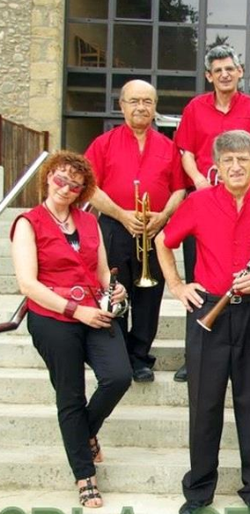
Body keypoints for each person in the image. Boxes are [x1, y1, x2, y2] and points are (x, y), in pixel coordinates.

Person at [155, 130, 250, 514]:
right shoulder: (198, 202)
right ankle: (199, 491)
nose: (236, 166)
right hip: (208, 310)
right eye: (228, 160)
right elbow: (162, 242)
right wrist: (177, 285)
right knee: (204, 404)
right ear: (217, 167)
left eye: (242, 159)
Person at [11, 151, 132, 508]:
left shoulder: (90, 221)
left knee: (119, 376)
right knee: (70, 396)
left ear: (84, 190)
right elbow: (28, 284)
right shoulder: (27, 223)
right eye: (60, 179)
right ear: (48, 177)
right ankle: (84, 476)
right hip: (53, 317)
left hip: (94, 310)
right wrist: (75, 310)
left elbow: (102, 272)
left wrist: (116, 289)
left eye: (75, 185)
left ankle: (85, 433)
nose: (65, 188)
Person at [172, 44, 250, 382]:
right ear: (208, 76)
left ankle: (242, 354)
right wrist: (199, 180)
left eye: (230, 69)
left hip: (240, 205)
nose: (225, 74)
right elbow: (184, 151)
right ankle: (194, 355)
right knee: (199, 281)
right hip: (204, 202)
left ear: (240, 72)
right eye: (218, 70)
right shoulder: (195, 107)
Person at [84, 79, 186, 382]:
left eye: (147, 101)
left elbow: (179, 189)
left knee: (149, 297)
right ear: (122, 106)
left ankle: (140, 358)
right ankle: (117, 357)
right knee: (114, 293)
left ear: (155, 107)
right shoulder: (103, 143)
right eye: (134, 101)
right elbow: (90, 187)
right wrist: (122, 214)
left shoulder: (169, 146)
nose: (141, 107)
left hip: (154, 231)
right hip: (115, 228)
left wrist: (163, 216)